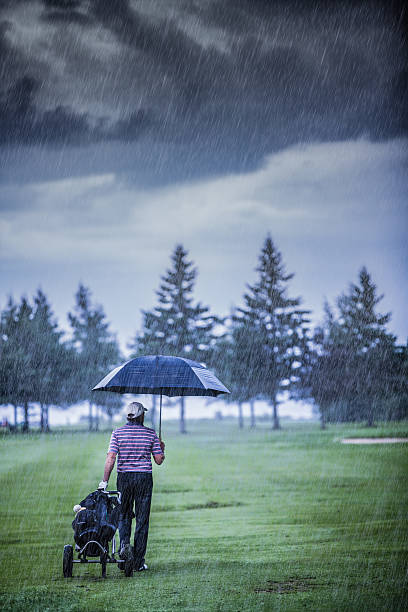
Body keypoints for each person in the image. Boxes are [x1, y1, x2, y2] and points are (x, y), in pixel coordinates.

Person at [98, 401, 165, 572]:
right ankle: (138, 561)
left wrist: (104, 481)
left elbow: (111, 458)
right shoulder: (150, 434)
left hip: (124, 479)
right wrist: (161, 449)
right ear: (141, 415)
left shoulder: (118, 433)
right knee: (142, 519)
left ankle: (124, 552)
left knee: (124, 516)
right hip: (143, 479)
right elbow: (158, 460)